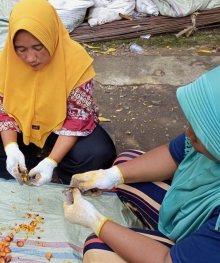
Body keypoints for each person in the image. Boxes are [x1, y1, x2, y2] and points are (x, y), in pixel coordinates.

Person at [63, 65, 220, 262]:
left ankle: (175, 243)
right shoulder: (212, 136)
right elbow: (172, 154)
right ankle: (174, 234)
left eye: (199, 131)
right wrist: (111, 175)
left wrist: (94, 220)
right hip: (199, 223)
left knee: (98, 248)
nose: (188, 133)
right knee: (125, 164)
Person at [0, 0, 116, 186]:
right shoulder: (8, 61)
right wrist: (11, 149)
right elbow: (4, 112)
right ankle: (25, 168)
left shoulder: (75, 62)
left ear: (51, 37)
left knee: (99, 154)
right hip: (23, 123)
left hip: (62, 126)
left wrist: (51, 162)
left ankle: (55, 169)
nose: (31, 58)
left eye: (38, 47)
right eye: (21, 49)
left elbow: (77, 119)